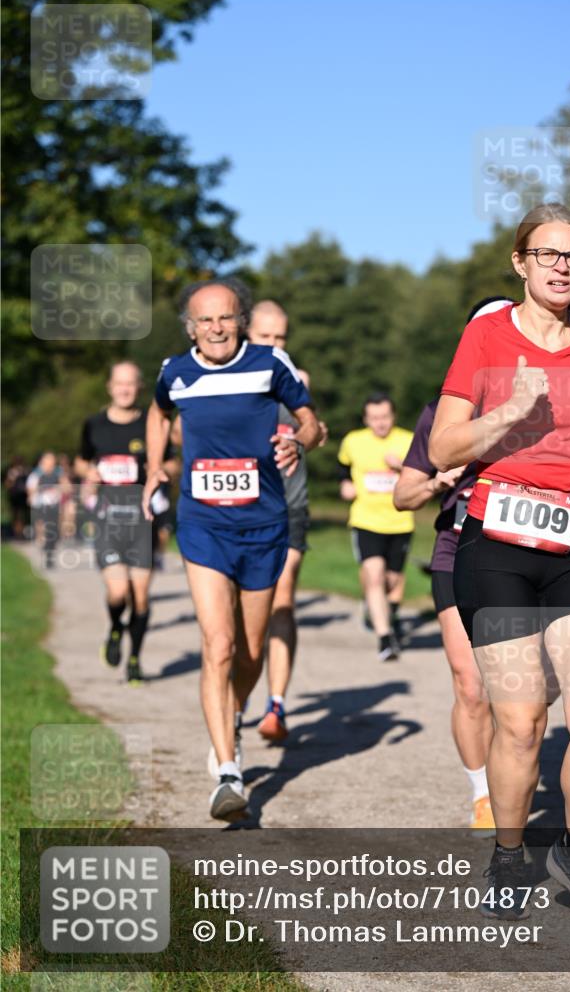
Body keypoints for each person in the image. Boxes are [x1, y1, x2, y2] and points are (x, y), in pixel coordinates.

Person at [429, 203, 570, 927]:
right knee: (519, 723)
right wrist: (508, 411)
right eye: (546, 254)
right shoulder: (486, 335)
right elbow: (444, 448)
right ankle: (509, 854)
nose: (560, 267)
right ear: (520, 263)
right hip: (497, 548)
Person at [142, 277, 320, 820]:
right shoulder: (175, 372)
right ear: (190, 327)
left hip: (264, 524)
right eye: (205, 319)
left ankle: (234, 713)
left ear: (241, 321)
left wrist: (297, 442)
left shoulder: (269, 364)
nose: (216, 328)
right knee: (217, 644)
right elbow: (158, 413)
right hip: (202, 525)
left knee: (250, 650)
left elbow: (313, 424)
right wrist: (155, 466)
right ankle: (227, 772)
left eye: (225, 317)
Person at [393, 297, 513, 831]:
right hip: (456, 553)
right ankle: (484, 793)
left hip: (523, 557)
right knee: (470, 684)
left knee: (522, 690)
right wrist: (435, 482)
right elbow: (402, 496)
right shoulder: (440, 413)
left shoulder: (545, 408)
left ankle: (517, 773)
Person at [246, 300, 328, 742]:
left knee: (282, 598)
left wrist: (307, 437)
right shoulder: (229, 384)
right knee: (243, 615)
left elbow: (316, 431)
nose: (275, 346)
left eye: (281, 338)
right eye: (265, 338)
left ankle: (275, 704)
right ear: (247, 336)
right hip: (242, 512)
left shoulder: (298, 381)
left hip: (289, 507)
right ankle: (238, 692)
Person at [76, 362, 174, 684]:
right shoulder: (94, 424)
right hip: (107, 519)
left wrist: (157, 469)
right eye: (119, 383)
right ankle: (116, 627)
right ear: (110, 386)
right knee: (118, 592)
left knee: (140, 596)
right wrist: (88, 472)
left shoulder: (152, 424)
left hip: (142, 520)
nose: (124, 389)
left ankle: (134, 659)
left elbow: (173, 464)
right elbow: (80, 461)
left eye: (130, 384)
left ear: (139, 387)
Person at [338, 394, 414, 661]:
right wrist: (345, 484)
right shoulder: (353, 441)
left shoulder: (407, 440)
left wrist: (401, 466)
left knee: (392, 580)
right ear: (366, 419)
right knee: (374, 575)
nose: (380, 423)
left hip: (400, 521)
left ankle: (379, 608)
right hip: (365, 520)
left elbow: (425, 475)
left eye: (384, 417)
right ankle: (385, 639)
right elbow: (342, 466)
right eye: (374, 418)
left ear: (393, 416)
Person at [26, 451, 69, 568]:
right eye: (49, 459)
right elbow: (31, 491)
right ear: (42, 461)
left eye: (53, 460)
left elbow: (67, 488)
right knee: (44, 529)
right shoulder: (36, 474)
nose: (51, 462)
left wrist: (59, 489)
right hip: (40, 506)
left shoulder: (58, 473)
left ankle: (49, 551)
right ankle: (45, 548)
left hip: (54, 506)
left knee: (54, 531)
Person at [4, 456, 30, 539]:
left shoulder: (26, 471)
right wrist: (12, 477)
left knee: (24, 515)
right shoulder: (11, 472)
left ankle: (22, 532)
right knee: (16, 515)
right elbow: (7, 485)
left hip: (23, 496)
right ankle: (17, 533)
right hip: (15, 496)